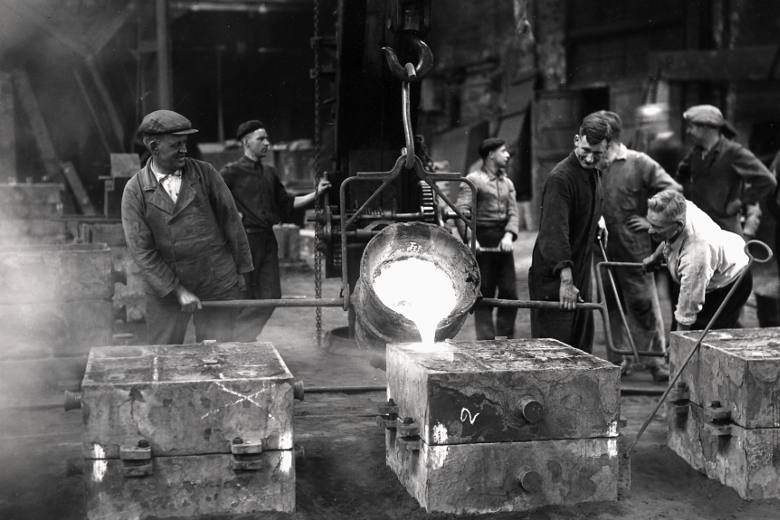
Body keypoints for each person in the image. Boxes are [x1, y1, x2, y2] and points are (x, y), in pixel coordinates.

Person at [121, 110, 252, 344]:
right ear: (153, 147)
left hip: (216, 282)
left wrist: (241, 271)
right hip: (166, 289)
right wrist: (178, 291)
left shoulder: (206, 174)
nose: (184, 150)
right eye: (176, 145)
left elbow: (232, 222)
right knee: (164, 359)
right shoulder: (135, 191)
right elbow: (142, 251)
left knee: (218, 356)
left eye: (185, 143)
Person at [220, 120, 330, 342]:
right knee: (245, 296)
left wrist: (315, 194)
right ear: (246, 142)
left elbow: (286, 203)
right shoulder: (231, 173)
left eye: (267, 138)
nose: (267, 143)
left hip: (268, 240)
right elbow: (211, 199)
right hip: (244, 241)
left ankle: (239, 338)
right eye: (261, 139)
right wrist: (230, 215)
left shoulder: (270, 173)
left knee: (271, 295)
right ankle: (240, 344)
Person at [596, 111, 680, 381]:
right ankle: (618, 360)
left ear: (610, 137)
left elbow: (673, 191)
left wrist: (649, 221)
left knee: (643, 304)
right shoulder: (593, 163)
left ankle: (654, 361)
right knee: (610, 304)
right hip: (602, 249)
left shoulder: (638, 162)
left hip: (632, 247)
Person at [528, 113, 610, 353]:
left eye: (597, 153)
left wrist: (597, 221)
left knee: (581, 348)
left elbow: (583, 206)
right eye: (586, 149)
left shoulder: (593, 173)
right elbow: (555, 233)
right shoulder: (561, 178)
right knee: (555, 351)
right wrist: (565, 282)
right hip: (556, 278)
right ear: (576, 140)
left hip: (580, 274)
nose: (590, 157)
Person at [643, 189, 752, 331]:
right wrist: (655, 258)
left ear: (679, 225)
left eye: (657, 227)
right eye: (650, 223)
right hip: (715, 262)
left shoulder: (696, 256)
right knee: (688, 329)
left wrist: (679, 348)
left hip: (732, 279)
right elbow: (669, 238)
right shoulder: (679, 207)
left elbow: (687, 312)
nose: (650, 230)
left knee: (705, 337)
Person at [675, 104, 776, 237]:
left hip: (725, 231)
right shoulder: (696, 153)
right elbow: (681, 177)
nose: (688, 132)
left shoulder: (734, 152)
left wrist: (740, 201)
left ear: (705, 127)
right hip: (699, 229)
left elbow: (767, 180)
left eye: (691, 127)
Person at [455, 137, 520, 340]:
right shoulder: (473, 180)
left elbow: (513, 213)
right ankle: (486, 342)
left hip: (503, 242)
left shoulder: (507, 182)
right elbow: (462, 211)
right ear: (491, 154)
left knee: (510, 292)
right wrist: (471, 239)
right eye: (503, 151)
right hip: (481, 240)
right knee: (485, 294)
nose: (507, 155)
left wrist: (509, 235)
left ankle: (504, 339)